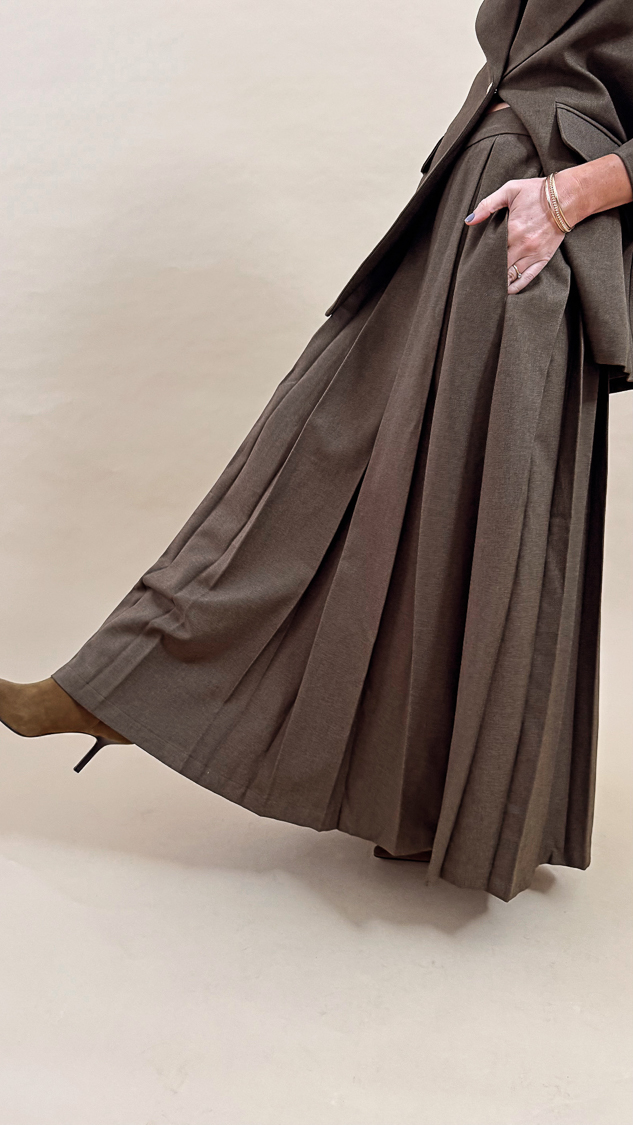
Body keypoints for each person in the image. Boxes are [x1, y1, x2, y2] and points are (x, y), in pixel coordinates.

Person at [2, 0, 633, 901]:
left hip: (535, 230)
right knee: (337, 467)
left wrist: (567, 197)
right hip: (465, 200)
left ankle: (436, 806)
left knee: (480, 515)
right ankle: (132, 677)